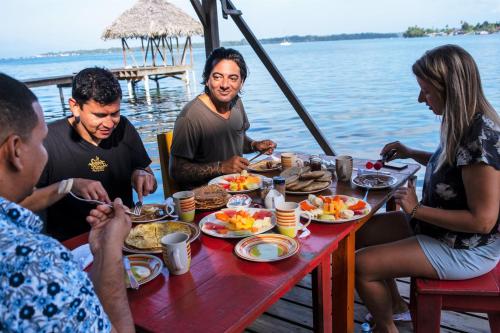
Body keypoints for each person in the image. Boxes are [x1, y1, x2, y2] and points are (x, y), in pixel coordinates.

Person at [355, 44, 500, 333]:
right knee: (356, 235)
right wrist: (411, 152)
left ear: (451, 89)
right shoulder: (460, 121)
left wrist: (416, 208)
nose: (421, 98)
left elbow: (483, 222)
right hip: (442, 231)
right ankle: (397, 310)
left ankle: (386, 328)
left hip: (466, 248)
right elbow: (452, 165)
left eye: (427, 90)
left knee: (360, 266)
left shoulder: (479, 139)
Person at [0, 73, 134, 332]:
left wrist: (105, 250)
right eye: (40, 142)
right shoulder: (35, 263)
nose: (44, 152)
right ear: (16, 150)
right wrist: (113, 249)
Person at [21, 67, 157, 241]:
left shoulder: (124, 128)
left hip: (127, 237)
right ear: (75, 107)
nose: (109, 123)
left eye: (114, 113)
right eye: (99, 115)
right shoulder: (47, 141)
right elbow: (22, 204)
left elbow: (151, 186)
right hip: (73, 244)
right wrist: (69, 185)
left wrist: (142, 174)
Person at [170, 47, 276, 189]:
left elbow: (236, 138)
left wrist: (254, 145)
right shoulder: (190, 117)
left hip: (239, 190)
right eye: (217, 77)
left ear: (242, 82)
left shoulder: (237, 103)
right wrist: (221, 167)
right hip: (205, 200)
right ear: (207, 79)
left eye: (233, 78)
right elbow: (176, 171)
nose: (225, 85)